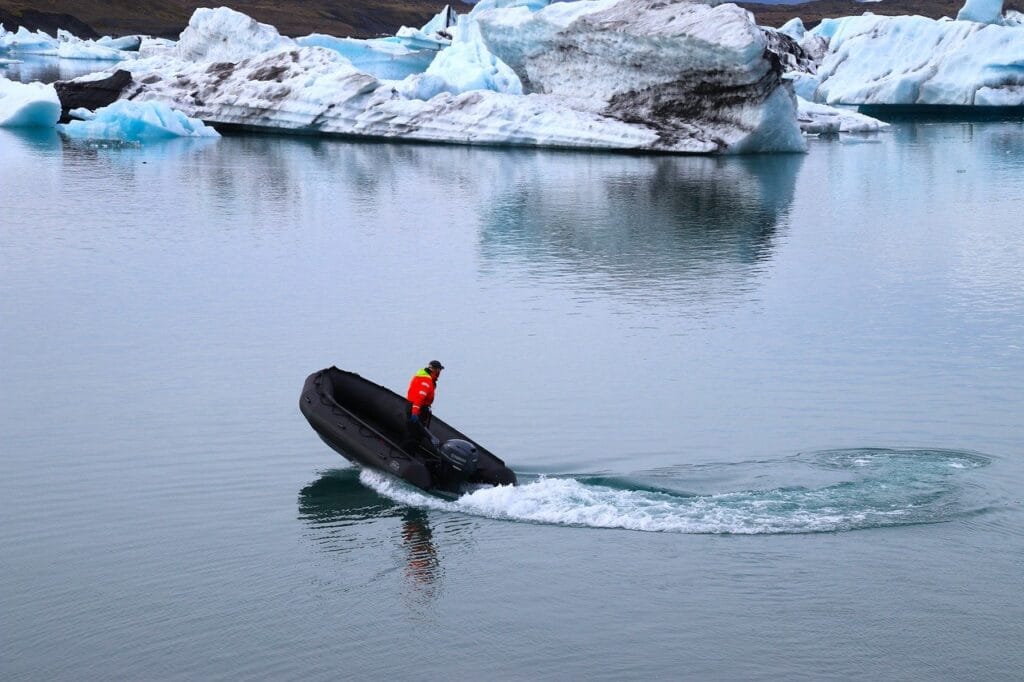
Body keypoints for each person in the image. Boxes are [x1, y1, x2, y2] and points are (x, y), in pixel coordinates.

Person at [405, 360, 444, 453]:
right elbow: (419, 398)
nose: (440, 373)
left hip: (415, 407)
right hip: (416, 409)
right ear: (434, 370)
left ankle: (410, 451)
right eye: (439, 370)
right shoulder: (426, 381)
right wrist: (414, 413)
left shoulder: (424, 377)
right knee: (415, 434)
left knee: (415, 432)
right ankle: (407, 453)